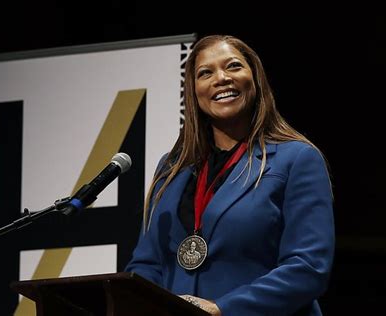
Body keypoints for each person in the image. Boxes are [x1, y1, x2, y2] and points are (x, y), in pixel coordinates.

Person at [125, 34, 335, 316]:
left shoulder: (297, 159)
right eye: (205, 73)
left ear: (255, 79)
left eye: (233, 66)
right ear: (193, 90)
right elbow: (146, 265)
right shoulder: (172, 168)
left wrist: (223, 309)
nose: (221, 78)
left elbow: (308, 267)